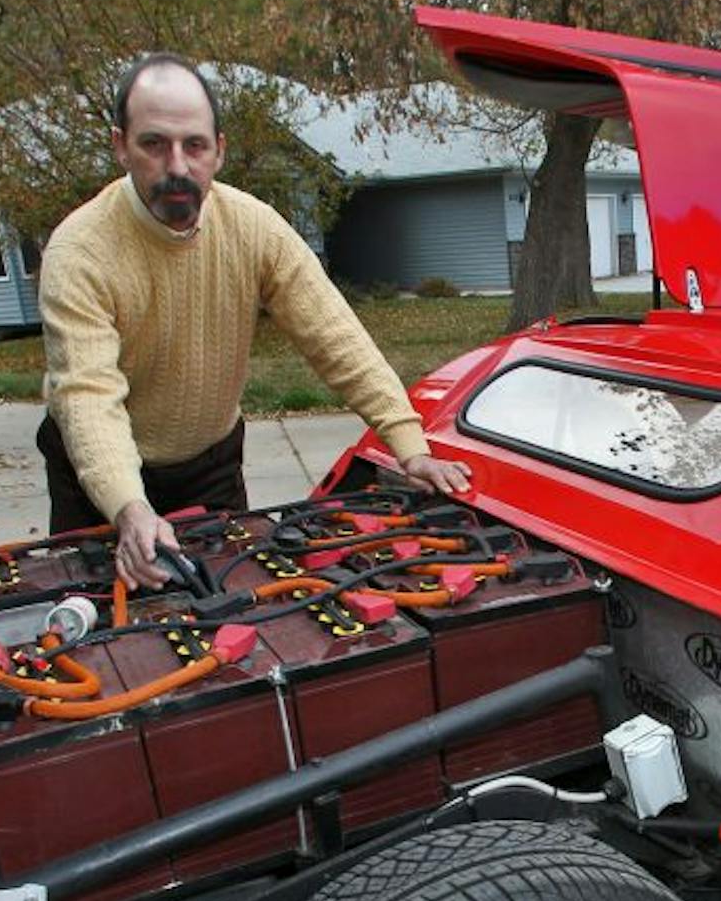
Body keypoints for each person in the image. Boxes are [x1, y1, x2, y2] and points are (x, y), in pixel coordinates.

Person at [36, 52, 471, 588]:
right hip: (99, 486)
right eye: (154, 144)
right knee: (95, 626)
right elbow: (86, 396)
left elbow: (335, 337)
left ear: (218, 151)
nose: (177, 167)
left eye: (194, 145)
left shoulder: (255, 228)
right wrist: (127, 506)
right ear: (120, 145)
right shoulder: (80, 250)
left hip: (210, 468)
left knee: (234, 611)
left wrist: (410, 447)